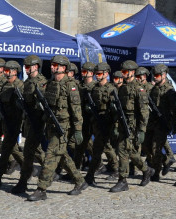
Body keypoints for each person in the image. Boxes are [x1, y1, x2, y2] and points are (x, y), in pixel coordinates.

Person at [28, 55, 88, 201]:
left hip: (63, 126)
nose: (53, 67)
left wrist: (78, 130)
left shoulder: (71, 85)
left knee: (50, 155)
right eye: (52, 65)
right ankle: (80, 180)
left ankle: (41, 189)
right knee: (62, 156)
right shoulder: (50, 83)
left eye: (56, 65)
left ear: (64, 68)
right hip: (50, 125)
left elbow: (76, 110)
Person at [111, 61, 152, 192]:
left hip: (133, 125)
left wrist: (142, 130)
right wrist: (117, 125)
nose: (122, 74)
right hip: (123, 123)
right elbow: (120, 109)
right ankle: (146, 170)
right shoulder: (123, 88)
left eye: (124, 72)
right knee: (130, 151)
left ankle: (122, 180)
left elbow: (144, 112)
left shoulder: (139, 89)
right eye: (122, 72)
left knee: (123, 150)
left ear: (132, 72)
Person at [0, 61, 25, 188]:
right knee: (7, 150)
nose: (6, 74)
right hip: (5, 121)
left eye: (8, 71)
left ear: (15, 71)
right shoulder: (5, 85)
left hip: (14, 123)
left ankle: (24, 172)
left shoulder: (20, 86)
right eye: (5, 71)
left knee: (7, 150)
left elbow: (24, 107)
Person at [12, 55, 48, 196]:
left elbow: (46, 105)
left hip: (39, 121)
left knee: (29, 153)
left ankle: (28, 183)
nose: (26, 69)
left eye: (28, 67)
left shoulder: (42, 82)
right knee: (30, 153)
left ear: (36, 67)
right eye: (25, 67)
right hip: (29, 122)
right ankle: (24, 182)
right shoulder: (28, 83)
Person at [85, 63, 119, 186]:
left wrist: (115, 126)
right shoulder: (94, 89)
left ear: (106, 74)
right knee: (98, 150)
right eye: (96, 74)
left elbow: (117, 110)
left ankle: (118, 170)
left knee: (108, 148)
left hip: (108, 123)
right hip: (97, 123)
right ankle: (90, 176)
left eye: (99, 74)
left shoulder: (112, 89)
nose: (97, 76)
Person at [144, 64, 176, 177]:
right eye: (154, 75)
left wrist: (173, 124)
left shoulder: (169, 91)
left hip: (163, 123)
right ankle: (167, 160)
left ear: (164, 75)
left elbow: (174, 109)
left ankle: (156, 172)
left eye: (157, 75)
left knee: (156, 148)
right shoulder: (154, 89)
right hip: (152, 121)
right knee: (147, 146)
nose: (155, 77)